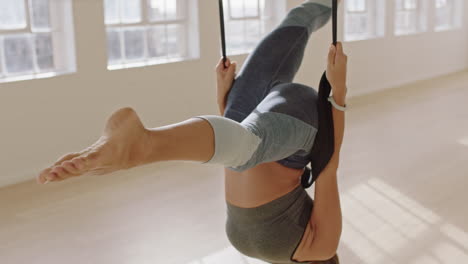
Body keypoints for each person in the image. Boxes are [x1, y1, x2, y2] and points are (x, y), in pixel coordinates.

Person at [37, 1, 347, 263]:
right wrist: (338, 90)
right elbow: (328, 167)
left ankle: (141, 145)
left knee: (243, 150)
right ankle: (144, 145)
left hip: (246, 133)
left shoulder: (257, 250)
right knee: (299, 22)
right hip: (298, 127)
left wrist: (223, 99)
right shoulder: (322, 248)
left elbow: (234, 158)